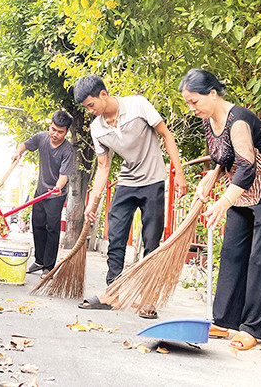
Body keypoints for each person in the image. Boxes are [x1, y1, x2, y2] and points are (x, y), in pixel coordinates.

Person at [179, 68, 261, 351]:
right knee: (232, 251)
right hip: (244, 193)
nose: (191, 108)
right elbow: (225, 155)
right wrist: (213, 175)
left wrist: (223, 201)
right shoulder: (210, 120)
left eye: (194, 101)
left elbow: (247, 164)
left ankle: (256, 328)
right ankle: (225, 319)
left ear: (212, 93)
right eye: (187, 103)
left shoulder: (239, 120)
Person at [74, 74, 188, 319]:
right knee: (116, 238)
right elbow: (104, 168)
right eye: (86, 108)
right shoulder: (97, 129)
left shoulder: (137, 105)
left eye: (91, 105)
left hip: (153, 180)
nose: (90, 111)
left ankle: (148, 298)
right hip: (126, 183)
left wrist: (178, 172)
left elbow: (167, 135)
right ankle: (113, 293)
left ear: (103, 94)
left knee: (151, 241)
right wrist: (92, 203)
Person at [12, 111, 75, 278]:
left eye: (60, 131)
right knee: (37, 224)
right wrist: (19, 153)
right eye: (53, 129)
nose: (55, 134)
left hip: (56, 194)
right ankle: (39, 261)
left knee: (52, 228)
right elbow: (25, 145)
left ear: (66, 132)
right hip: (40, 191)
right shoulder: (42, 137)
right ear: (50, 126)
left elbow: (64, 176)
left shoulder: (67, 150)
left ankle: (49, 266)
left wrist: (57, 187)